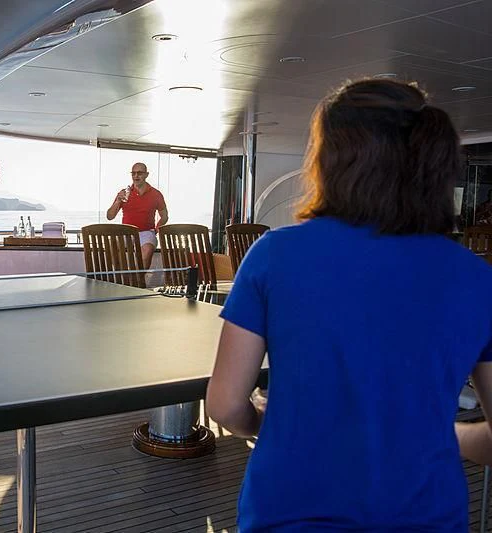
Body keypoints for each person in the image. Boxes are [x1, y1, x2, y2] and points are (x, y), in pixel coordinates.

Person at [205, 79, 492, 531]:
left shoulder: (274, 255)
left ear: (331, 160)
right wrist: (447, 434)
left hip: (289, 515)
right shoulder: (477, 278)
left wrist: (263, 422)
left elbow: (223, 407)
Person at [105, 162, 168, 268]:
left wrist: (156, 229)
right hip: (126, 232)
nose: (136, 176)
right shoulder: (124, 193)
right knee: (113, 244)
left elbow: (164, 216)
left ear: (146, 175)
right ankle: (123, 276)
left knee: (147, 250)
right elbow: (110, 216)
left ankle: (139, 281)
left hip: (146, 232)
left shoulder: (156, 194)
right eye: (133, 173)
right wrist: (117, 201)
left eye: (139, 173)